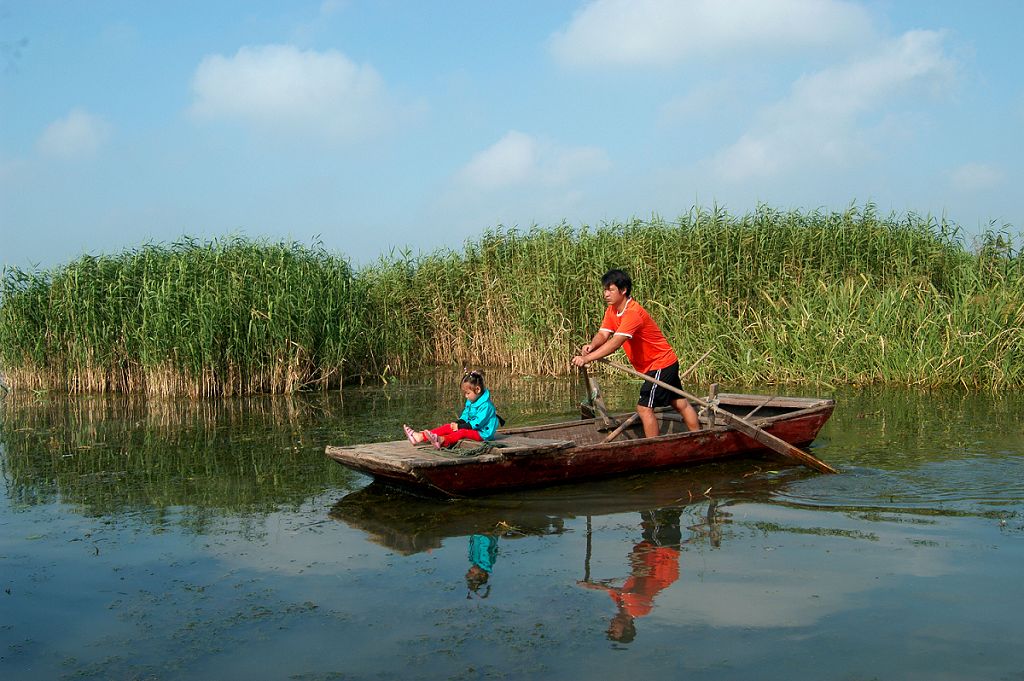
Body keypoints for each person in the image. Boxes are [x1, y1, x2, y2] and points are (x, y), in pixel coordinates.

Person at [572, 269, 699, 436]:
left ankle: (654, 448)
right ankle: (699, 436)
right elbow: (603, 334)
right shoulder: (612, 310)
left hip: (661, 363)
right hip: (659, 364)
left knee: (644, 408)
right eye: (605, 290)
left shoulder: (633, 313)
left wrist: (587, 358)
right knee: (679, 403)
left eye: (610, 290)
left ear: (623, 290)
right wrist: (592, 346)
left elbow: (615, 343)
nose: (606, 294)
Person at [577, 507, 684, 643]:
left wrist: (597, 585)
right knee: (657, 512)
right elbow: (632, 592)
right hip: (663, 555)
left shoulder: (620, 603)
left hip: (655, 552)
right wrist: (595, 586)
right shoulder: (639, 610)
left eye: (610, 630)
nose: (611, 626)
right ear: (627, 628)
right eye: (614, 630)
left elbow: (618, 589)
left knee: (655, 515)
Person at [403, 370, 502, 449]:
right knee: (449, 426)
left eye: (467, 393)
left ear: (477, 390)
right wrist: (457, 424)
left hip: (483, 433)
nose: (466, 396)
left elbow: (477, 423)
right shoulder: (471, 401)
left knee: (462, 432)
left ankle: (442, 441)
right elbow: (465, 415)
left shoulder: (486, 406)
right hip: (471, 427)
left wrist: (459, 427)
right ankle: (420, 436)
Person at [465, 533, 499, 599]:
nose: (470, 569)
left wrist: (472, 537)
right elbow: (485, 547)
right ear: (482, 574)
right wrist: (484, 535)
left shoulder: (474, 562)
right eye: (472, 572)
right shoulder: (486, 562)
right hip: (486, 535)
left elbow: (472, 548)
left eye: (469, 571)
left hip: (477, 536)